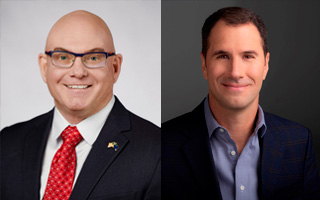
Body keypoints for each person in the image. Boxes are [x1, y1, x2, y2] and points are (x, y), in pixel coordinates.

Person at [162, 7, 320, 200]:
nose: (236, 72)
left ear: (265, 65)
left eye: (248, 56)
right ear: (204, 65)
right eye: (223, 56)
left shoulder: (299, 142)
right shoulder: (162, 144)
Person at [1, 10, 160, 200]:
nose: (78, 72)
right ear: (44, 68)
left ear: (115, 67)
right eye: (62, 57)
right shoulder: (7, 144)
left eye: (94, 58)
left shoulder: (157, 151)